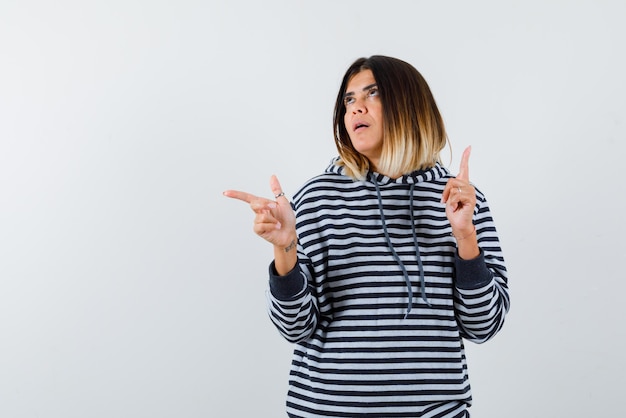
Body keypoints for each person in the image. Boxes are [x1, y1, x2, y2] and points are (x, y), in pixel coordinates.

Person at [223, 55, 510, 418]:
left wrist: (466, 237)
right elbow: (295, 328)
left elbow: (484, 325)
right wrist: (286, 250)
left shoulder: (460, 200)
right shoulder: (316, 199)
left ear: (409, 104)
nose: (356, 107)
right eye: (348, 100)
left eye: (372, 93)